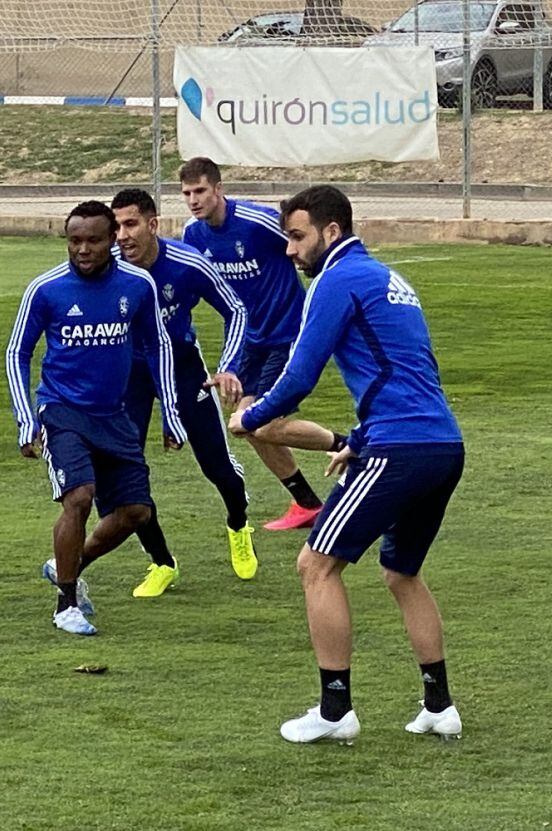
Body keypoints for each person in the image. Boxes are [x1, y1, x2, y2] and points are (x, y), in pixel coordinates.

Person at [228, 185, 465, 744]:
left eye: (296, 236)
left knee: (316, 565)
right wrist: (358, 437)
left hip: (400, 447)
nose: (289, 250)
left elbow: (300, 375)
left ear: (330, 232)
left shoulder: (336, 280)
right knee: (401, 572)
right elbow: (412, 369)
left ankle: (336, 712)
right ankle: (439, 706)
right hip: (441, 444)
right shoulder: (389, 277)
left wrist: (250, 416)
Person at [5, 200, 186, 635]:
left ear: (112, 242)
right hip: (62, 410)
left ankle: (67, 564)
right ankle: (66, 604)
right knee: (80, 497)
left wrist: (171, 413)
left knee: (136, 512)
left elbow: (158, 347)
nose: (83, 249)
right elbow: (17, 352)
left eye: (93, 240)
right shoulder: (46, 290)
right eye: (74, 240)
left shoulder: (138, 286)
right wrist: (26, 418)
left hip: (115, 415)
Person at [180, 157, 347, 531]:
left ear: (218, 189)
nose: (193, 200)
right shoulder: (193, 235)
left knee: (259, 424)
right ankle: (306, 503)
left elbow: (304, 244)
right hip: (248, 341)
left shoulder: (257, 222)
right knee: (246, 424)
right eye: (187, 193)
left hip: (287, 335)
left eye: (201, 191)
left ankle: (350, 445)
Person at [110, 188, 256, 592]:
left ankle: (239, 524)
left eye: (131, 224)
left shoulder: (188, 263)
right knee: (126, 475)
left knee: (217, 466)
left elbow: (237, 309)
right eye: (116, 225)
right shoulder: (110, 268)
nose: (121, 235)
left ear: (153, 224)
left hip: (183, 368)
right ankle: (161, 562)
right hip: (130, 374)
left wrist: (228, 365)